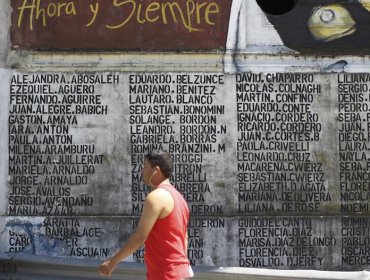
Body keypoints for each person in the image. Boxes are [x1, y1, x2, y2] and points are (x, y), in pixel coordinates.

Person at [99, 150, 193, 280]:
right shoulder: (179, 198)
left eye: (145, 166)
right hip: (181, 272)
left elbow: (140, 236)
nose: (142, 171)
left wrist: (113, 261)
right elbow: (185, 237)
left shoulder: (156, 197)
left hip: (166, 274)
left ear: (156, 170)